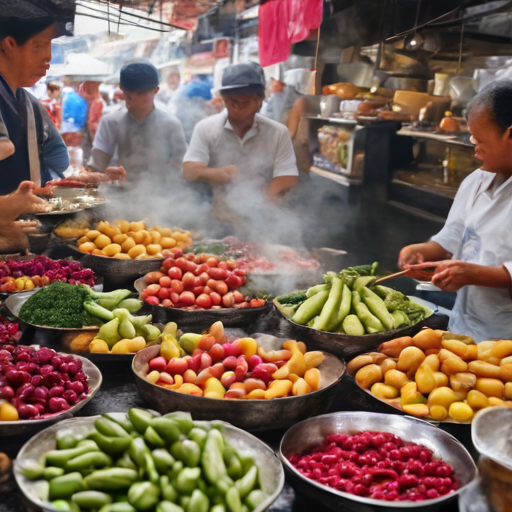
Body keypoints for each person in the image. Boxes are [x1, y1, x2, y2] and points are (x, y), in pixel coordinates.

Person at [398, 80, 512, 342]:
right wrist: (422, 251)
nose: (475, 148)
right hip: (464, 327)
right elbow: (454, 235)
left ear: (510, 135)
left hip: (505, 341)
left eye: (480, 140)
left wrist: (476, 274)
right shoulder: (477, 181)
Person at [182, 62, 299, 198]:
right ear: (223, 99)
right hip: (220, 214)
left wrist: (270, 195)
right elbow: (188, 171)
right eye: (233, 101)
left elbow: (288, 176)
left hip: (265, 213)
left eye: (245, 102)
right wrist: (219, 174)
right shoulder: (206, 128)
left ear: (261, 100)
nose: (239, 108)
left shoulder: (278, 132)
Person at [0, 1, 75, 194]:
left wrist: (79, 180)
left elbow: (57, 159)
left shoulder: (32, 104)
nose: (48, 57)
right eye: (38, 46)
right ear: (9, 44)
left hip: (27, 221)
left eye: (49, 45)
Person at [88, 60, 187, 189]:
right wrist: (102, 176)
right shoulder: (111, 122)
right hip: (120, 196)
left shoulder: (171, 124)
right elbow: (96, 167)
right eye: (129, 95)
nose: (134, 100)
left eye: (142, 94)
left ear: (156, 90)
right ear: (121, 90)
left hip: (162, 197)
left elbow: (182, 168)